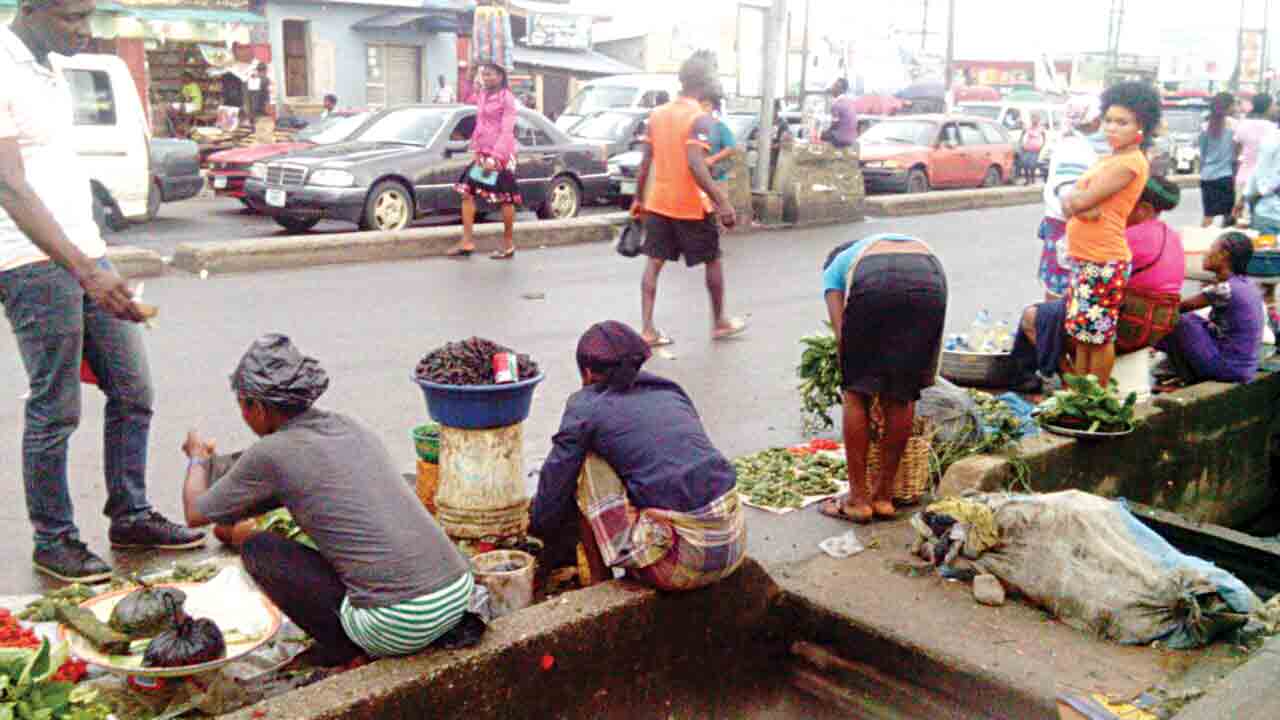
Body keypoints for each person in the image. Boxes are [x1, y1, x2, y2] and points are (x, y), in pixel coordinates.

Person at [0, 0, 204, 583]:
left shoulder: (50, 69)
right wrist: (85, 270)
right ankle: (54, 538)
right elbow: (10, 187)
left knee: (133, 389)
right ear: (32, 9)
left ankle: (131, 513)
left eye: (88, 17)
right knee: (54, 407)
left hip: (86, 254)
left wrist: (94, 257)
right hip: (31, 263)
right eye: (71, 18)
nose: (84, 32)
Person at [181, 335, 474, 666]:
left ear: (258, 407)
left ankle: (344, 648)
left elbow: (195, 513)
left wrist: (197, 459)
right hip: (458, 589)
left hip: (402, 623)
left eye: (243, 406)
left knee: (259, 548)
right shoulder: (349, 425)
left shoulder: (272, 452)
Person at [529, 321, 746, 591]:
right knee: (635, 453)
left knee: (586, 462)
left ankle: (599, 583)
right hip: (734, 542)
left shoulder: (585, 407)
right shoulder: (670, 390)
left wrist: (538, 529)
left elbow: (555, 483)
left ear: (586, 372)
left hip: (685, 565)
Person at [818, 234, 948, 524]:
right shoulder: (884, 243)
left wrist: (857, 379)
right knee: (903, 393)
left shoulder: (834, 268)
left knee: (855, 392)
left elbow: (843, 338)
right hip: (931, 276)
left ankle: (858, 501)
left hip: (877, 282)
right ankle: (884, 497)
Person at [1013, 177, 1187, 391]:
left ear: (1143, 208)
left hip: (1128, 323)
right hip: (1154, 322)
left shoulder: (1128, 237)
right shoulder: (1169, 234)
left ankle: (1073, 384)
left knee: (1033, 317)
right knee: (1055, 312)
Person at [630, 54, 746, 347]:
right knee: (713, 260)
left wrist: (637, 199)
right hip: (691, 205)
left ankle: (647, 329)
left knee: (653, 265)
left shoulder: (657, 114)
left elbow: (645, 164)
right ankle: (719, 322)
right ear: (705, 83)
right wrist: (723, 203)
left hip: (658, 202)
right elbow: (696, 164)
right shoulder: (699, 117)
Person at [1060, 81, 1158, 388]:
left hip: (1103, 258)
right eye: (1109, 120)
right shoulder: (1109, 158)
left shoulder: (1130, 163)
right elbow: (1068, 202)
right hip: (1084, 255)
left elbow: (1078, 200)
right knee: (1082, 334)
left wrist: (1078, 202)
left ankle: (1094, 398)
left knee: (1099, 336)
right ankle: (1081, 397)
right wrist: (1077, 203)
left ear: (1140, 126)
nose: (1112, 128)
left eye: (1122, 122)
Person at [1157, 232, 1262, 384]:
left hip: (1228, 368)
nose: (1206, 254)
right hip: (1244, 368)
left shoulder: (1225, 289)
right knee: (1193, 320)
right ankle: (1179, 372)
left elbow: (1181, 307)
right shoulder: (1247, 284)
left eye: (1211, 248)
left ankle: (1186, 376)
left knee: (1179, 321)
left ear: (1224, 255)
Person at [448, 62, 520, 260]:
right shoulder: (482, 95)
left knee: (505, 198)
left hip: (500, 157)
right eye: (484, 75)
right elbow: (477, 117)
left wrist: (495, 158)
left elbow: (507, 131)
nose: (486, 78)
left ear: (500, 76)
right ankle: (467, 241)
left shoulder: (507, 99)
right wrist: (477, 150)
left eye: (490, 74)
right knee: (467, 192)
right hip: (482, 154)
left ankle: (508, 245)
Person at [1038, 96, 1103, 301]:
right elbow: (1069, 198)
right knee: (1062, 296)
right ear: (1092, 121)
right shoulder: (1074, 148)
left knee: (1065, 294)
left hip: (1069, 229)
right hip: (1069, 229)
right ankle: (1053, 332)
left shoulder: (1078, 144)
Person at [1199, 92, 1238, 228]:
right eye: (1234, 104)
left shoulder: (1205, 126)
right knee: (1228, 216)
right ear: (1228, 106)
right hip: (1225, 176)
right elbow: (1236, 152)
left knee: (1208, 216)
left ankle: (1200, 241)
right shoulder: (1234, 125)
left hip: (1207, 176)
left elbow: (1203, 153)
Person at [703, 94, 736, 183]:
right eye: (699, 105)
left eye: (706, 105)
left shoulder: (719, 127)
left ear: (713, 107)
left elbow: (731, 148)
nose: (702, 108)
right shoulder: (690, 127)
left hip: (715, 178)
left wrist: (713, 159)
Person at [824, 78, 858, 149]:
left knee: (820, 135)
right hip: (852, 138)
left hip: (840, 138)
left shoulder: (836, 104)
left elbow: (834, 125)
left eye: (834, 86)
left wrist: (825, 131)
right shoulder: (849, 102)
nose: (832, 88)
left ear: (840, 90)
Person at [1019, 113, 1047, 185]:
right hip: (1027, 148)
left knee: (1032, 165)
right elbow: (1022, 135)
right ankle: (1027, 179)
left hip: (1036, 149)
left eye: (1036, 119)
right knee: (1025, 164)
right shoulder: (1027, 127)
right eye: (1033, 118)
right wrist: (1022, 144)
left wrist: (1042, 146)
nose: (1034, 120)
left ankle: (1032, 178)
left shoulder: (1041, 128)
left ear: (1039, 120)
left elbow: (1044, 138)